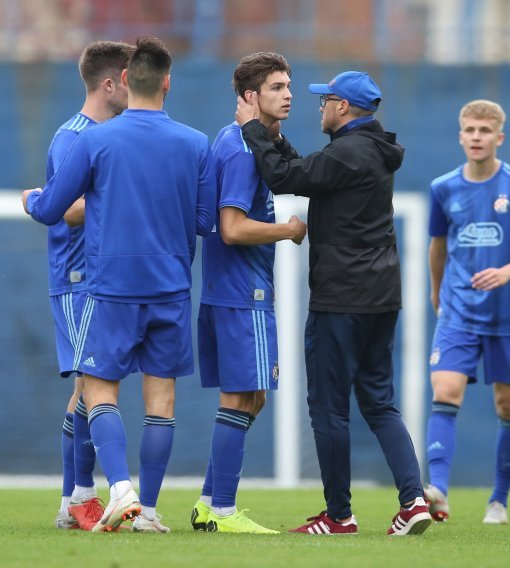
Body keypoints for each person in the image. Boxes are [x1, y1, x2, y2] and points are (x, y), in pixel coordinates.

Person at [24, 37, 216, 533]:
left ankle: (118, 488)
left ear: (128, 80)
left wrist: (30, 199)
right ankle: (147, 512)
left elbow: (52, 211)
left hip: (111, 288)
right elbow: (204, 221)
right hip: (171, 288)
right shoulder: (197, 143)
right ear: (169, 82)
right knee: (162, 402)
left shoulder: (95, 139)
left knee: (100, 392)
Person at [235, 70, 432, 536]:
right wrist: (275, 140)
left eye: (325, 99)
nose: (318, 105)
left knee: (328, 407)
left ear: (343, 107)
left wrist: (252, 130)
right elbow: (310, 173)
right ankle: (414, 501)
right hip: (382, 297)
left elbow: (285, 178)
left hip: (342, 298)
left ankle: (339, 515)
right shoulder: (370, 149)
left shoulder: (348, 152)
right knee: (381, 403)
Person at [190, 51, 306, 534]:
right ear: (250, 96)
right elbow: (233, 228)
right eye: (278, 87)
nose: (289, 94)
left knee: (250, 397)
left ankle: (206, 503)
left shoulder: (233, 137)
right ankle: (221, 511)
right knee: (241, 399)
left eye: (289, 85)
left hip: (226, 291)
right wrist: (290, 230)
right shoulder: (241, 151)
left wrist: (269, 131)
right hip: (244, 294)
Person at [423, 100, 510, 525]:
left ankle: (498, 500)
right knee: (445, 388)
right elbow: (437, 246)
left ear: (499, 138)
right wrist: (436, 292)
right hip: (457, 309)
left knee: (508, 404)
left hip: (507, 315)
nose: (476, 137)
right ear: (460, 136)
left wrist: (505, 272)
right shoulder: (443, 187)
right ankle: (437, 489)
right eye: (470, 130)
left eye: (484, 131)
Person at [45, 40, 134, 531]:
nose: (133, 85)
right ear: (109, 84)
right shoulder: (74, 136)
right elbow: (65, 206)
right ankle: (79, 496)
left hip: (102, 281)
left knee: (88, 387)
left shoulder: (111, 134)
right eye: (127, 77)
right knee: (90, 386)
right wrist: (118, 201)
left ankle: (72, 499)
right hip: (76, 279)